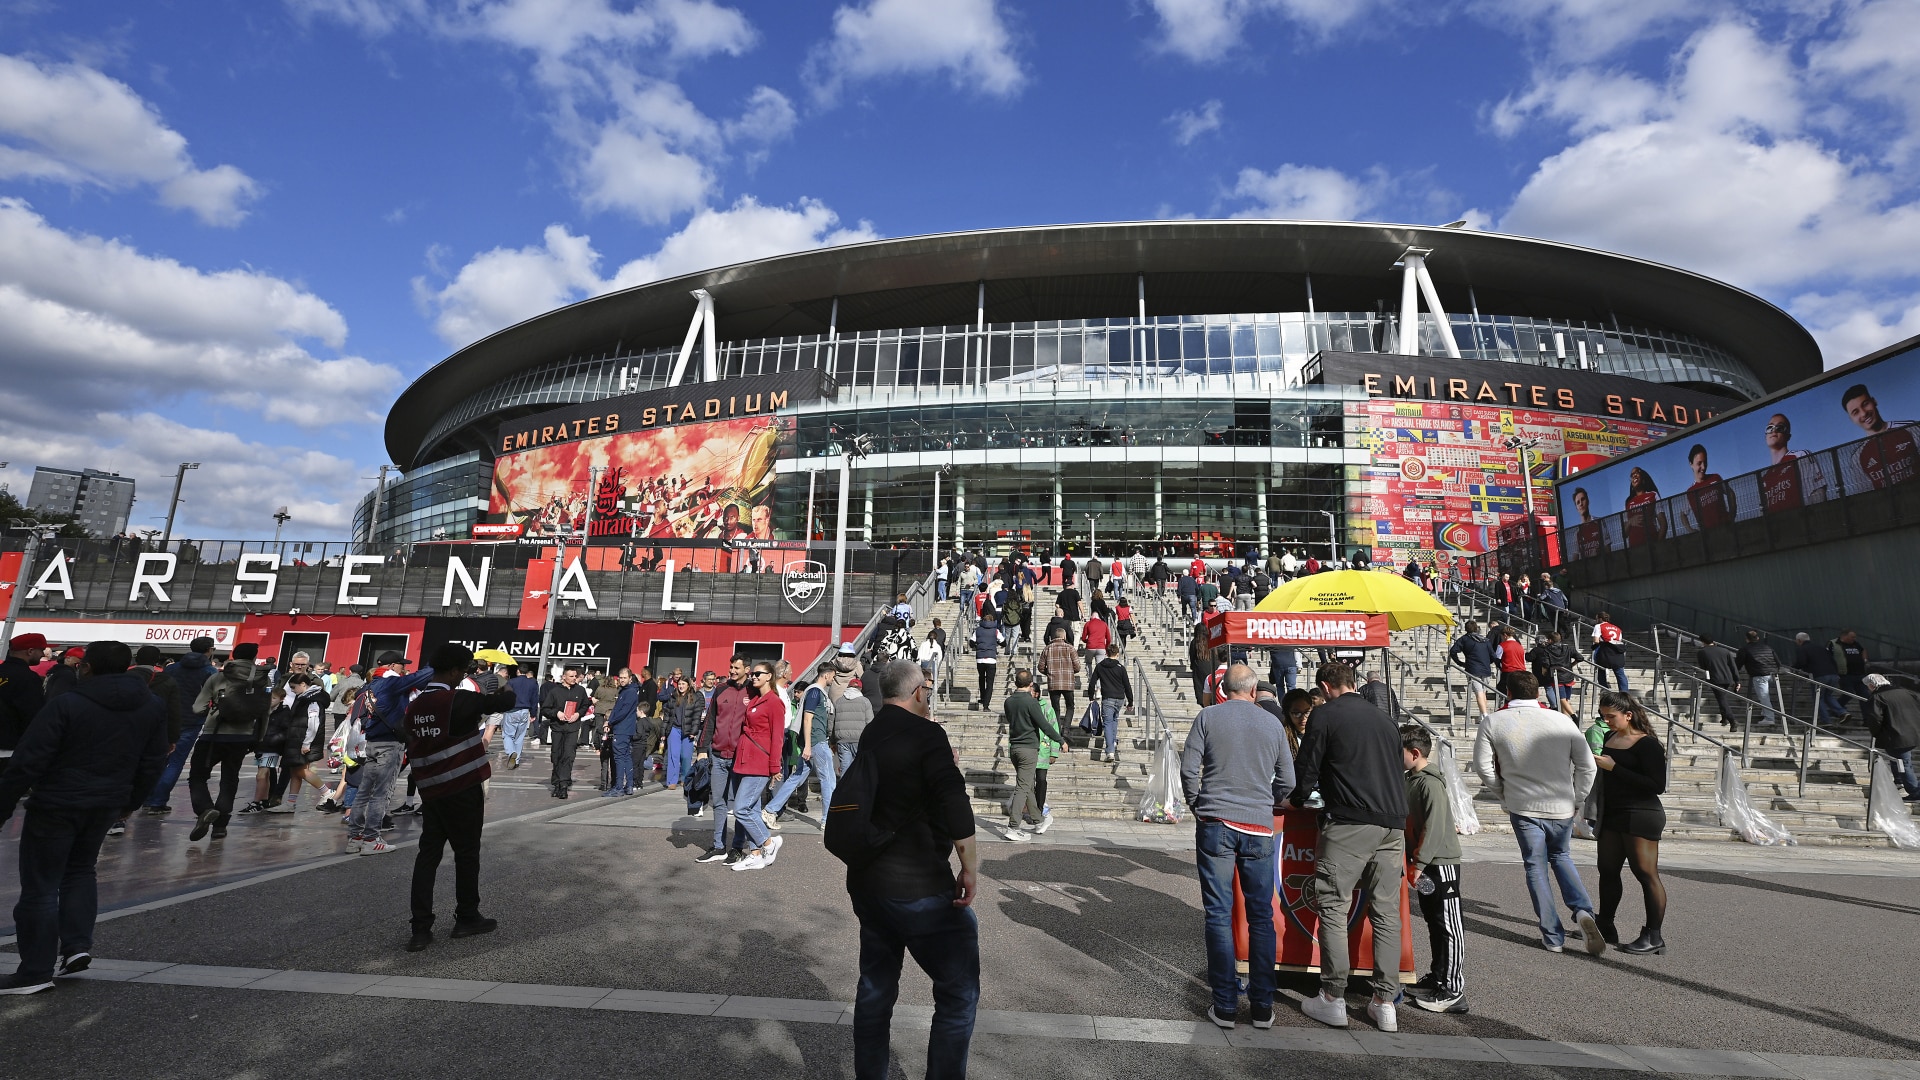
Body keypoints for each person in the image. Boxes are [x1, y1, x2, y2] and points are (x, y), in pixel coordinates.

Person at [0, 640, 167, 994]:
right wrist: (131, 802)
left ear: (86, 666)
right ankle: (76, 946)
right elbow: (153, 761)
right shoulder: (151, 706)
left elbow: (28, 760)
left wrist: (3, 805)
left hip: (57, 803)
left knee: (41, 887)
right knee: (80, 870)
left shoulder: (68, 704)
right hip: (107, 802)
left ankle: (34, 970)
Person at [843, 661, 979, 1080]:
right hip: (918, 881)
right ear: (919, 692)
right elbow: (954, 802)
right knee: (958, 993)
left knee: (876, 989)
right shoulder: (928, 734)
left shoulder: (872, 731)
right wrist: (969, 867)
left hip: (869, 880)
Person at [1179, 661, 1294, 1030]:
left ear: (1224, 688)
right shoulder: (1273, 723)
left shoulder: (1208, 717)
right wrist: (1266, 799)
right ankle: (1262, 1005)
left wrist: (1198, 804)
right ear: (1254, 689)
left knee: (1218, 912)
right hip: (1258, 825)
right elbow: (1287, 782)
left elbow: (1188, 768)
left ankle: (1225, 1003)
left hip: (1216, 821)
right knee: (1261, 915)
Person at [1288, 662, 1402, 1032]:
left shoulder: (1324, 714)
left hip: (1350, 822)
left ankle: (1333, 997)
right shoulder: (1384, 718)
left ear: (1325, 685)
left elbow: (1308, 765)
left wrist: (1298, 797)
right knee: (1385, 912)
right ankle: (1385, 1002)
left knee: (1335, 907)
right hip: (1392, 823)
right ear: (1353, 683)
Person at [1472, 671, 1604, 955]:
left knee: (1535, 866)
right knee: (1562, 856)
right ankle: (1582, 910)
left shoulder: (1494, 721)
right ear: (1538, 693)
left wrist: (1502, 792)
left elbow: (1483, 767)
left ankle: (1552, 934)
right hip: (1561, 804)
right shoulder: (1562, 720)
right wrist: (1577, 798)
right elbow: (1587, 766)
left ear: (1508, 692)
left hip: (1523, 804)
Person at [403, 643, 518, 952]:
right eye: (463, 669)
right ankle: (466, 917)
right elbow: (506, 700)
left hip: (431, 791)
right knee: (466, 854)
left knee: (428, 855)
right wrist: (503, 679)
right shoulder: (457, 699)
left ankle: (420, 927)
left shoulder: (414, 705)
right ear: (455, 671)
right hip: (462, 788)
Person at [1592, 691, 1669, 955]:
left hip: (1642, 813)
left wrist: (1615, 768)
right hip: (1613, 813)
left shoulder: (1647, 744)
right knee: (1607, 870)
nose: (1607, 721)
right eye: (1603, 716)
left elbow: (1657, 785)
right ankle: (1605, 924)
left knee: (1646, 874)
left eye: (1611, 716)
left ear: (1628, 715)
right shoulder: (1610, 737)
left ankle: (1653, 935)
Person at [1400, 725, 1466, 1014]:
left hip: (1440, 865)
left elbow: (1435, 827)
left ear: (1415, 753)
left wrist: (1418, 863)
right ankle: (1439, 977)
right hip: (1426, 865)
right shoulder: (1411, 779)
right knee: (1435, 921)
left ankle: (1453, 988)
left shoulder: (1430, 783)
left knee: (1448, 925)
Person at [187, 642, 272, 844]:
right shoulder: (263, 679)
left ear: (234, 655)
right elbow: (265, 713)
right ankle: (220, 827)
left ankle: (205, 809)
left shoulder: (218, 677)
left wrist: (214, 708)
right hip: (243, 737)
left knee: (197, 776)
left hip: (213, 734)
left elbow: (197, 708)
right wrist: (259, 737)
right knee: (230, 779)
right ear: (254, 657)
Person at [766, 661, 844, 825]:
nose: (833, 680)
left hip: (813, 742)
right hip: (816, 742)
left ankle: (770, 810)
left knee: (796, 778)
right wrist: (808, 745)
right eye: (833, 676)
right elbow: (808, 719)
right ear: (827, 674)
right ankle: (827, 821)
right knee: (828, 780)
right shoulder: (815, 692)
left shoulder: (817, 692)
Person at [693, 656, 753, 863]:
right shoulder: (720, 689)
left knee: (739, 805)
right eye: (731, 667)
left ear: (747, 669)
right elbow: (709, 720)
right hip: (718, 756)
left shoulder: (753, 691)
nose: (732, 670)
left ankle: (737, 847)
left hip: (740, 757)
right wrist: (702, 748)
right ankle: (719, 846)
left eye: (737, 667)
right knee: (718, 802)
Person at [728, 663, 787, 871]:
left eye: (758, 674)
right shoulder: (755, 699)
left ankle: (769, 843)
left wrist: (774, 767)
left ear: (769, 676)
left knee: (741, 808)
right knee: (750, 808)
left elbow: (778, 737)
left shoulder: (774, 702)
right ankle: (754, 854)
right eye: (752, 674)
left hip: (760, 761)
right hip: (745, 759)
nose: (753, 677)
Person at [1002, 670, 1063, 841]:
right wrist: (1060, 741)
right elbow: (1045, 725)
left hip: (1014, 747)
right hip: (1028, 748)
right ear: (1030, 685)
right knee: (1023, 787)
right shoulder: (1031, 702)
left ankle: (1038, 820)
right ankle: (1013, 827)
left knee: (1027, 785)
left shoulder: (1008, 702)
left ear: (1015, 683)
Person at [1841, 382, 1918, 489]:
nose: (1863, 413)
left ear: (1874, 401)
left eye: (1865, 404)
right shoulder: (1857, 457)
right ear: (1851, 419)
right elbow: (1867, 494)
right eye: (1855, 412)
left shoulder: (1911, 428)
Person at [1864, 674, 1920, 801]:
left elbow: (1874, 719)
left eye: (1868, 687)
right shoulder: (1905, 692)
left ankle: (1914, 791)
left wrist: (1876, 733)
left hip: (1894, 734)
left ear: (1872, 686)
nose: (1868, 689)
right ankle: (1899, 781)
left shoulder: (1877, 697)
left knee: (1903, 763)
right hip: (1912, 732)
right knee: (1897, 759)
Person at [541, 665, 593, 799]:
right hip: (558, 728)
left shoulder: (580, 690)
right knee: (557, 755)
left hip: (572, 728)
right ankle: (557, 782)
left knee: (568, 755)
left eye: (575, 676)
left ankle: (563, 785)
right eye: (571, 676)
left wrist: (578, 714)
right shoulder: (554, 691)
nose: (574, 679)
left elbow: (585, 705)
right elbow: (545, 709)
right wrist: (556, 713)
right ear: (564, 677)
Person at [2, 633, 51, 770]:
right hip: (11, 749)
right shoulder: (28, 678)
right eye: (41, 650)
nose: (42, 654)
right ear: (30, 651)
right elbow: (33, 714)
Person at [1090, 646, 1133, 763]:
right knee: (1114, 720)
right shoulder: (1121, 668)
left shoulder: (1100, 666)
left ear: (1106, 653)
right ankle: (1112, 742)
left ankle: (1110, 751)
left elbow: (1092, 681)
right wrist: (1130, 701)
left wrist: (1090, 696)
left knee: (1108, 723)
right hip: (1119, 698)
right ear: (1117, 654)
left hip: (1108, 697)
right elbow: (1127, 685)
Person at [1681, 443, 1736, 532]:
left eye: (1705, 462)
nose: (1703, 467)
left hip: (1727, 530)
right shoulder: (1690, 492)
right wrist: (1690, 530)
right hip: (1708, 537)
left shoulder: (1716, 478)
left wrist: (1732, 514)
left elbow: (1730, 493)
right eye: (1699, 463)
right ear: (1691, 464)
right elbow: (1683, 514)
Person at [1795, 631, 1846, 725]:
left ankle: (1826, 720)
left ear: (1799, 640)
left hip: (1819, 676)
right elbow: (1833, 660)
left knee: (1818, 698)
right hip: (1833, 674)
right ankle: (1842, 712)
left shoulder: (1802, 649)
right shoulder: (1822, 648)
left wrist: (1793, 668)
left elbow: (1801, 662)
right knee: (1828, 696)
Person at [602, 671, 640, 797]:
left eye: (625, 678)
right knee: (626, 756)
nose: (622, 680)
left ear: (630, 678)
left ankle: (618, 787)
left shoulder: (629, 692)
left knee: (619, 757)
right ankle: (628, 785)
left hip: (622, 729)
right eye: (621, 678)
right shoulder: (625, 691)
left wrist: (610, 721)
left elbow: (622, 711)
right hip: (625, 728)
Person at [1735, 630, 1782, 729]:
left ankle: (1769, 718)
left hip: (1760, 674)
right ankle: (1766, 711)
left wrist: (1734, 673)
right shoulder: (1767, 647)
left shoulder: (1745, 649)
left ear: (1747, 639)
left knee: (1764, 697)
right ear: (1758, 638)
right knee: (1767, 696)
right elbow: (1778, 661)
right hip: (1773, 674)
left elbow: (1738, 664)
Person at [1448, 621, 1496, 717]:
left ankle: (1484, 715)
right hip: (1486, 669)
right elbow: (1493, 655)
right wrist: (1487, 662)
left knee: (1479, 693)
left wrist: (1460, 663)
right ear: (1476, 628)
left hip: (1473, 669)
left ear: (1466, 629)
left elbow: (1453, 651)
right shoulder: (1485, 640)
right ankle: (1482, 715)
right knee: (1483, 692)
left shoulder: (1464, 639)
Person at [1695, 635, 1743, 727]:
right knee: (1722, 697)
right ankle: (1724, 718)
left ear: (1703, 642)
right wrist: (1737, 680)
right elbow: (1733, 666)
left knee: (1722, 699)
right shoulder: (1725, 651)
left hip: (1715, 678)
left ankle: (1732, 721)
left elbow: (1703, 667)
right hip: (1727, 678)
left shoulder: (1702, 652)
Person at [1040, 628, 1077, 730]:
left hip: (1053, 683)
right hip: (1068, 683)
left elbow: (1040, 667)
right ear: (1064, 636)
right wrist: (1070, 672)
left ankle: (1057, 730)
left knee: (1055, 708)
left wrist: (1049, 673)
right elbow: (1077, 666)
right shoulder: (1070, 648)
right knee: (1070, 706)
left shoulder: (1047, 649)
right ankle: (1066, 729)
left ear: (1053, 637)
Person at [500, 664, 536, 769]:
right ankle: (516, 760)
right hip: (525, 711)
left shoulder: (511, 682)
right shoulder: (533, 683)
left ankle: (511, 752)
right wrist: (533, 713)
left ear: (518, 671)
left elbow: (506, 696)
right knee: (519, 737)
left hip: (512, 710)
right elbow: (535, 699)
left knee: (507, 734)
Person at [1592, 612, 1629, 692]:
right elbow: (1619, 640)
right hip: (1617, 652)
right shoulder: (1617, 628)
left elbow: (1596, 641)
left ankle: (1605, 689)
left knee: (1601, 670)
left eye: (1597, 618)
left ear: (1600, 619)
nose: (1596, 620)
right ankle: (1624, 693)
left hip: (1605, 652)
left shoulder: (1598, 626)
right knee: (1620, 674)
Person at [972, 613, 1000, 711]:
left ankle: (983, 697)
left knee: (981, 677)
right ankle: (986, 705)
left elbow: (971, 642)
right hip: (991, 659)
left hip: (980, 658)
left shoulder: (978, 630)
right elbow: (1003, 641)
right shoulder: (995, 631)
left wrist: (977, 646)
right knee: (990, 682)